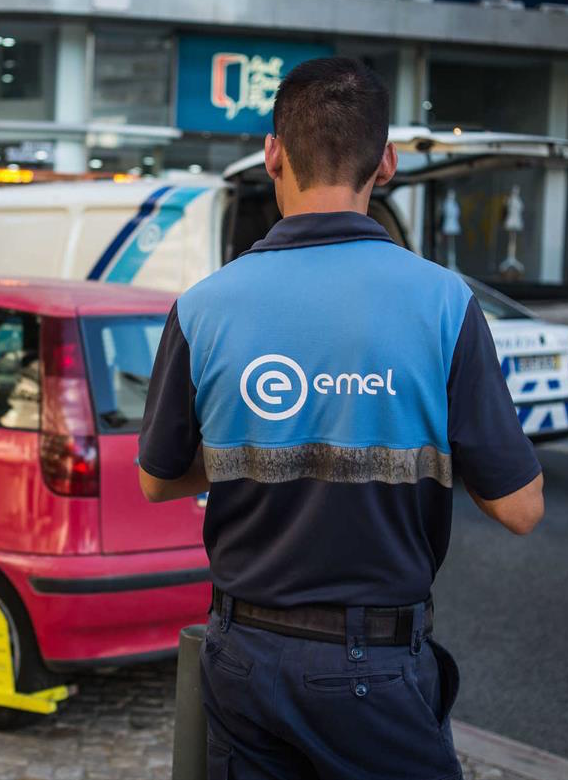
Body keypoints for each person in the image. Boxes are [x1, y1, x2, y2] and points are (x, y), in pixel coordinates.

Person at [137, 57, 543, 779]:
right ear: (384, 162)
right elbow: (519, 507)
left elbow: (156, 479)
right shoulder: (443, 304)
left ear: (272, 155)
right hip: (373, 672)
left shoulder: (203, 305)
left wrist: (256, 435)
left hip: (241, 656)